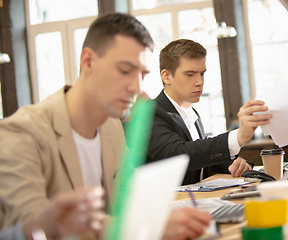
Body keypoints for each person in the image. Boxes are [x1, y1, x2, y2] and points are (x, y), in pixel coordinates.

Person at [0, 14, 210, 240]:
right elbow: (28, 226)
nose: (136, 87)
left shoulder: (111, 127)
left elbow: (126, 200)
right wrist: (149, 226)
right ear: (88, 61)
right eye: (124, 70)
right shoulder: (21, 134)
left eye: (142, 74)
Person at [146, 39, 272, 184]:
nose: (200, 81)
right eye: (190, 74)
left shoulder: (192, 114)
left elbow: (200, 160)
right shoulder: (150, 112)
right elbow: (177, 154)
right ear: (166, 76)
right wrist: (237, 136)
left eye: (202, 73)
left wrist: (231, 165)